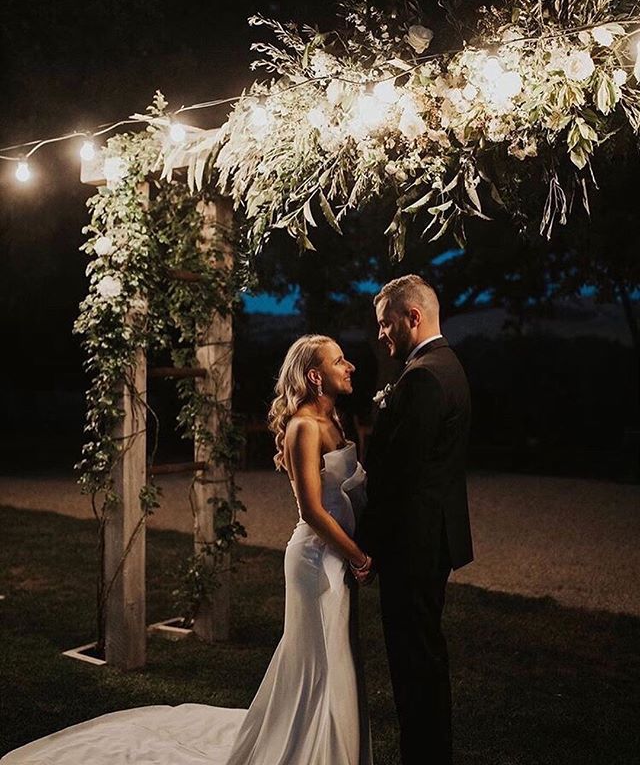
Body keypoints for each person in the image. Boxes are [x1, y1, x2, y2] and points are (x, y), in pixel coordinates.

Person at [0, 334, 372, 765]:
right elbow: (310, 510)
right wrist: (359, 556)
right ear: (315, 375)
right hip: (314, 561)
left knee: (337, 660)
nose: (350, 367)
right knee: (317, 663)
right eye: (339, 361)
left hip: (337, 554)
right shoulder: (303, 427)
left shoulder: (337, 420)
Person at [356, 274, 473, 765]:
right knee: (423, 656)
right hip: (432, 537)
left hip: (414, 544)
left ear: (413, 317)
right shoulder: (447, 365)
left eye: (386, 324)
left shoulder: (423, 376)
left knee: (414, 663)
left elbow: (398, 476)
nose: (382, 335)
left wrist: (366, 548)